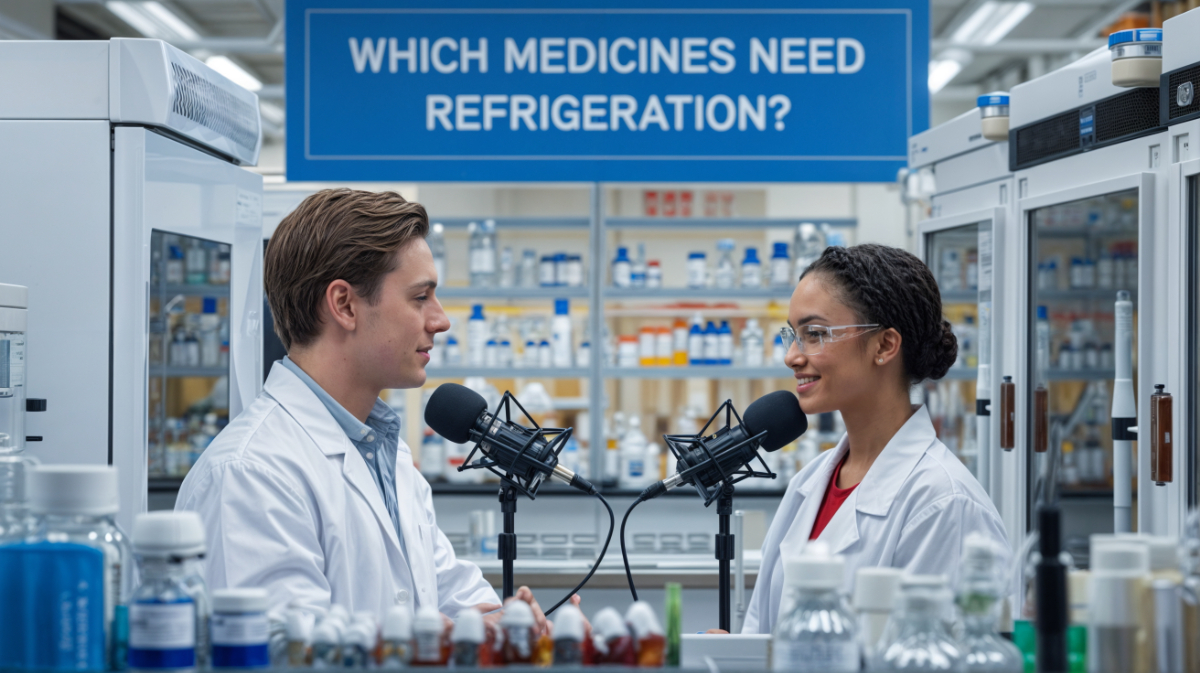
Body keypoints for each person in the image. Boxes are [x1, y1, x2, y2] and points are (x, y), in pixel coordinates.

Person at [176, 189, 558, 630]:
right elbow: (281, 654)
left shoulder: (387, 457)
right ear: (344, 305)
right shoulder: (249, 474)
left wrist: (514, 627)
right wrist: (444, 640)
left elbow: (452, 595)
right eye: (420, 298)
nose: (440, 320)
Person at [741, 244, 1009, 634]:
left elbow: (935, 658)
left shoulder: (944, 503)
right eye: (792, 335)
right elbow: (765, 631)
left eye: (815, 334)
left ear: (884, 346)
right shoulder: (810, 484)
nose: (793, 356)